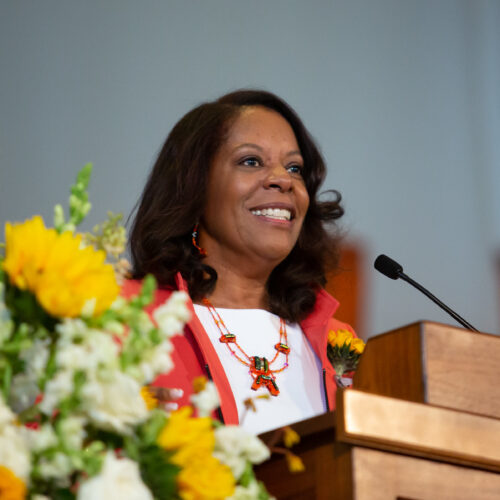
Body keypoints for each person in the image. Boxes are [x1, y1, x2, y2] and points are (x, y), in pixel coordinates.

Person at [124, 89, 356, 435]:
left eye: (295, 168)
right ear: (194, 186)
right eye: (251, 161)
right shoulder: (123, 317)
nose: (283, 179)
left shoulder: (340, 344)